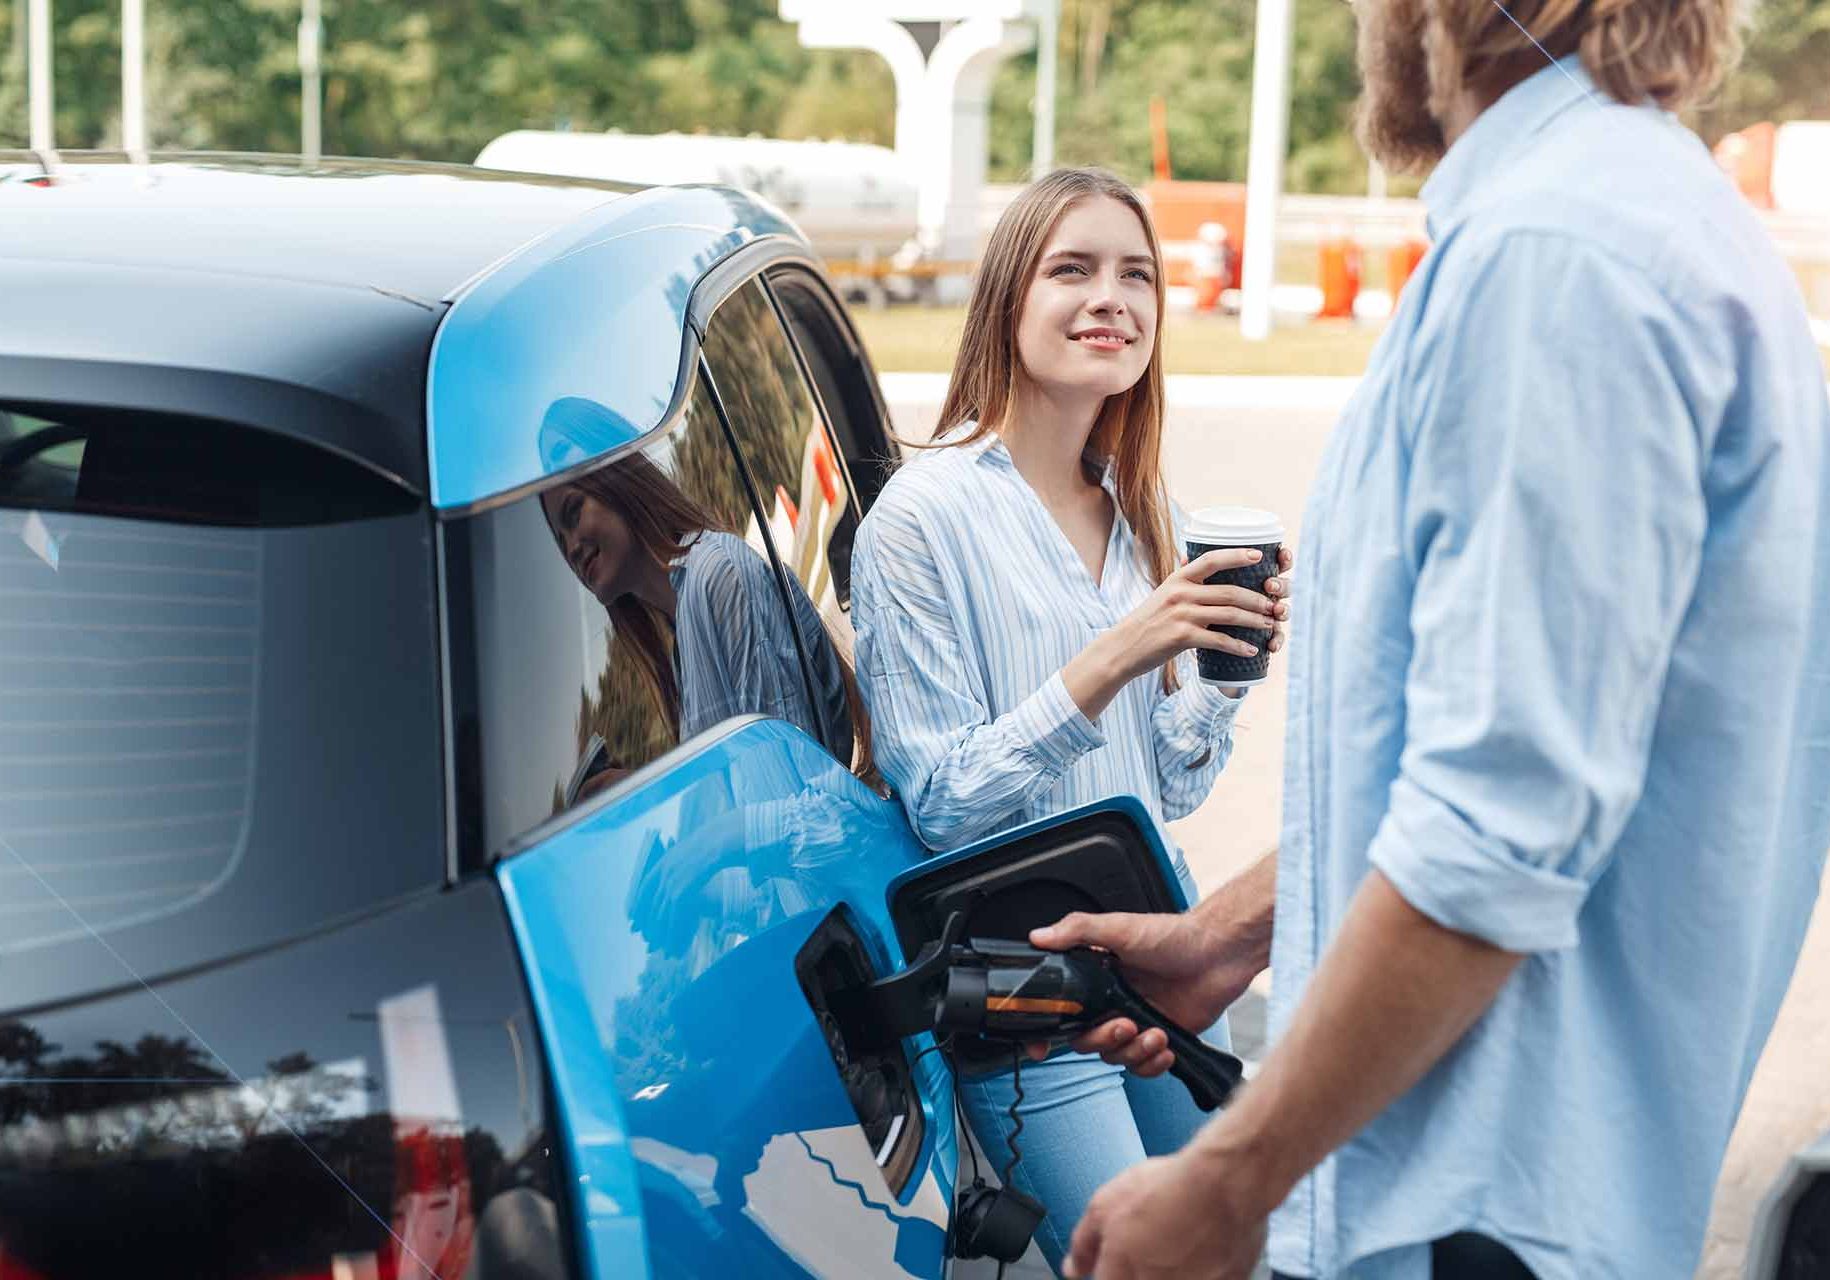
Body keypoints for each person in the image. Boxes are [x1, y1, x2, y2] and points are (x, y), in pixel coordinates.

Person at [1028, 2, 1830, 1278]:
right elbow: (1518, 753)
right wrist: (1229, 934)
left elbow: (1501, 823)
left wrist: (1232, 1181)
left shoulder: (1561, 260)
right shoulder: (1622, 225)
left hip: (1467, 1213)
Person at [848, 166, 1293, 1272]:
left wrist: (1224, 674)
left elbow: (1170, 789)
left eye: (1137, 275)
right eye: (1075, 269)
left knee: (1247, 1248)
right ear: (1009, 299)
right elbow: (944, 802)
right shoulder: (920, 518)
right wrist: (1112, 659)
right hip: (1025, 989)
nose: (1114, 298)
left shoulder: (1149, 517)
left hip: (1163, 957)